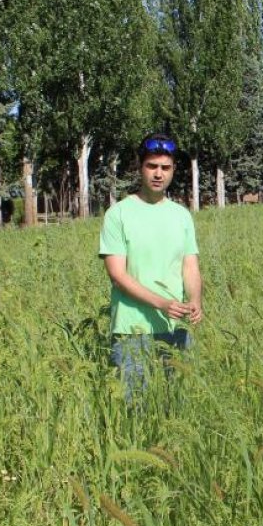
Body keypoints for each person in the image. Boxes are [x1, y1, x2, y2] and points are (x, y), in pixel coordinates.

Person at [99, 133, 203, 398]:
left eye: (165, 168)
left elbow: (189, 266)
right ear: (140, 167)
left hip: (176, 329)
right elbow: (117, 275)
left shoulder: (181, 216)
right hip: (132, 330)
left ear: (173, 171)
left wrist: (195, 301)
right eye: (152, 166)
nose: (159, 174)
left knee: (176, 406)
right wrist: (162, 304)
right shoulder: (118, 215)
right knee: (136, 410)